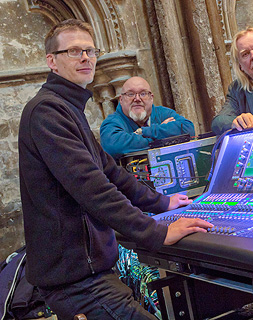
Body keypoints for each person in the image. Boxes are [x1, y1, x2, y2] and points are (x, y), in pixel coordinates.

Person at [18, 19, 212, 320]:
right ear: (51, 61)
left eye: (90, 50)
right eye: (73, 51)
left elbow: (110, 171)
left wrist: (162, 203)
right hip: (79, 282)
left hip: (88, 274)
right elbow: (93, 187)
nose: (85, 57)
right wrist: (156, 233)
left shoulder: (68, 109)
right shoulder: (47, 111)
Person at [100, 76, 195, 160]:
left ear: (151, 98)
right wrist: (162, 138)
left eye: (143, 93)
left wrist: (144, 132)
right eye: (130, 94)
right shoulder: (111, 123)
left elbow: (188, 129)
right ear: (121, 99)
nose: (137, 99)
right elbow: (114, 146)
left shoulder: (163, 113)